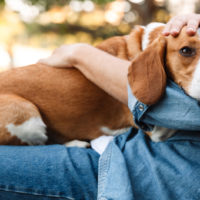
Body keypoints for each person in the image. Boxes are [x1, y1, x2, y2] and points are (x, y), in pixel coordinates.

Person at [0, 14, 200, 200]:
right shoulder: (148, 57)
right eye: (187, 51)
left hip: (124, 170)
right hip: (21, 116)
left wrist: (79, 53)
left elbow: (158, 117)